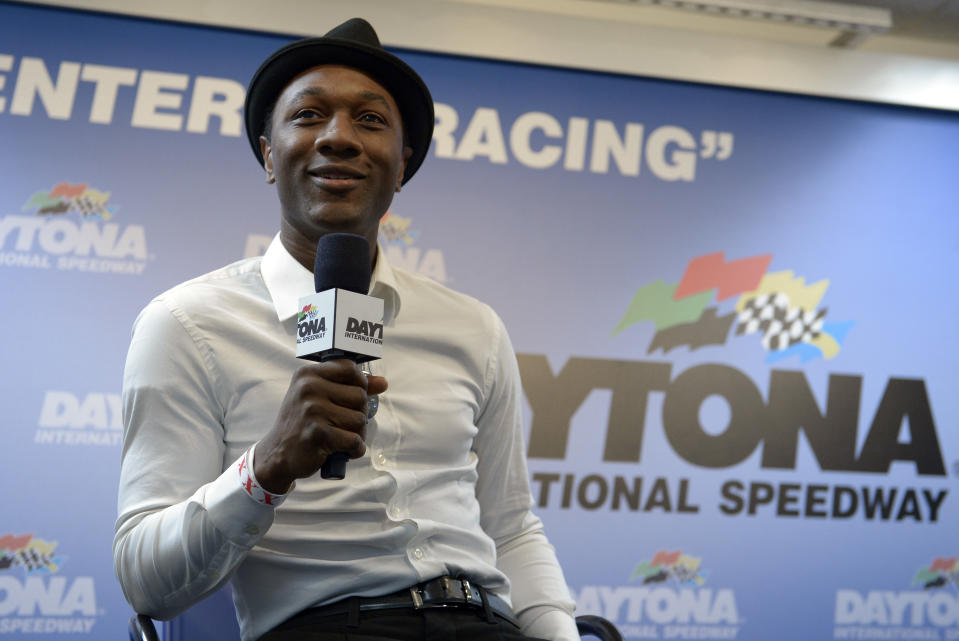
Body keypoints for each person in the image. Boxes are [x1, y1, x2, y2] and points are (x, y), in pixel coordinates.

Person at [114, 17, 579, 641]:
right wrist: (265, 468)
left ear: (402, 163)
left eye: (370, 120)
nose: (339, 137)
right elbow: (146, 582)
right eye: (308, 115)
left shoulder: (473, 327)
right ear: (267, 153)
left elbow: (513, 529)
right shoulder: (186, 324)